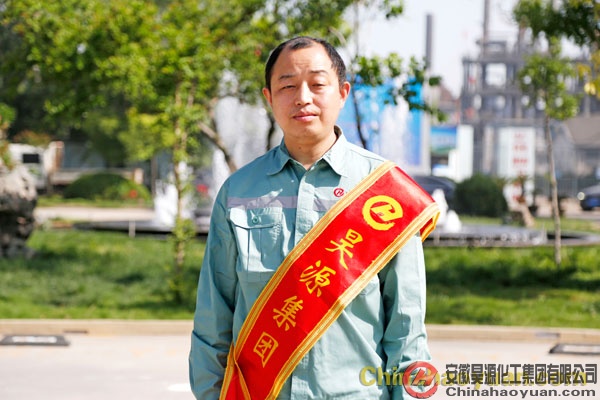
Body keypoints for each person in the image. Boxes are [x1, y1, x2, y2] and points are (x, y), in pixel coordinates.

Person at [189, 36, 438, 400]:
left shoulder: (386, 194)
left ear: (343, 92)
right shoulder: (238, 191)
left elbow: (407, 327)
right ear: (269, 98)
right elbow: (214, 317)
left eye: (318, 84)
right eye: (287, 86)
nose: (302, 97)